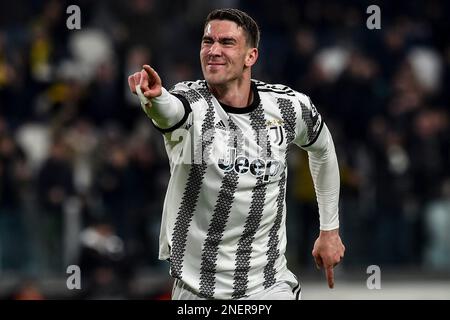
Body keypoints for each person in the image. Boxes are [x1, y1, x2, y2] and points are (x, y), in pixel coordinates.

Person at [127, 8, 345, 300]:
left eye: (227, 42)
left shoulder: (288, 107)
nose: (213, 50)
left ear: (250, 56)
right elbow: (170, 111)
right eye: (208, 42)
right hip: (196, 288)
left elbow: (323, 150)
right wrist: (155, 98)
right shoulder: (192, 104)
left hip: (267, 285)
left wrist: (329, 228)